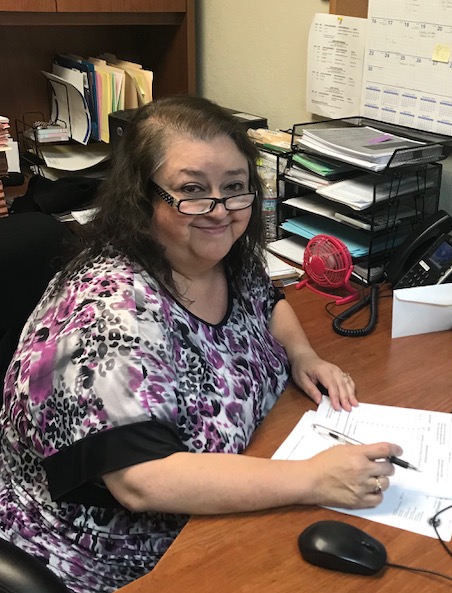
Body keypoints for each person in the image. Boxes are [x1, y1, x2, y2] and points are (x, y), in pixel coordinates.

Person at [0, 96, 402, 593]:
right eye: (192, 190)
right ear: (142, 197)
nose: (220, 210)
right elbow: (143, 483)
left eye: (235, 188)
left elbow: (268, 301)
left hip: (224, 503)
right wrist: (313, 479)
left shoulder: (219, 254)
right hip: (111, 556)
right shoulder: (107, 310)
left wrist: (303, 355)